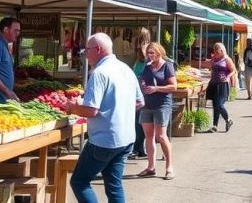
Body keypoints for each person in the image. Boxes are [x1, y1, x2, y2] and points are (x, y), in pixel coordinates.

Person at [66, 33, 144, 203]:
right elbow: (139, 102)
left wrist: (73, 107)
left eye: (87, 50)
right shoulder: (126, 69)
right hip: (125, 138)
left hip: (104, 140)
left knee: (79, 181)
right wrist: (118, 109)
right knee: (114, 184)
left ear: (98, 50)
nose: (86, 54)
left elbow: (91, 110)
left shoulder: (99, 73)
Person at [136, 42, 176, 179]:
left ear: (159, 52)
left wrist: (156, 88)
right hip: (147, 104)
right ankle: (151, 167)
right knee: (149, 136)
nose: (149, 55)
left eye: (152, 52)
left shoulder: (167, 66)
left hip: (162, 104)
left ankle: (169, 167)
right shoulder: (147, 66)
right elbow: (143, 80)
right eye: (148, 53)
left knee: (161, 136)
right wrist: (142, 84)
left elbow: (173, 86)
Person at [129, 27, 151, 160]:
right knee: (139, 121)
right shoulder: (140, 56)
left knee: (139, 121)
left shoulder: (145, 53)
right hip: (139, 91)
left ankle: (138, 148)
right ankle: (139, 148)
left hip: (142, 92)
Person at [208, 42, 236, 132]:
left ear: (222, 50)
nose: (215, 51)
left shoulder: (226, 59)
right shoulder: (214, 58)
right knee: (215, 105)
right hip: (213, 83)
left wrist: (228, 76)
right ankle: (214, 125)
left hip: (222, 84)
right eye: (214, 49)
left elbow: (233, 70)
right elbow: (211, 67)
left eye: (217, 49)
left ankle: (228, 120)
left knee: (219, 105)